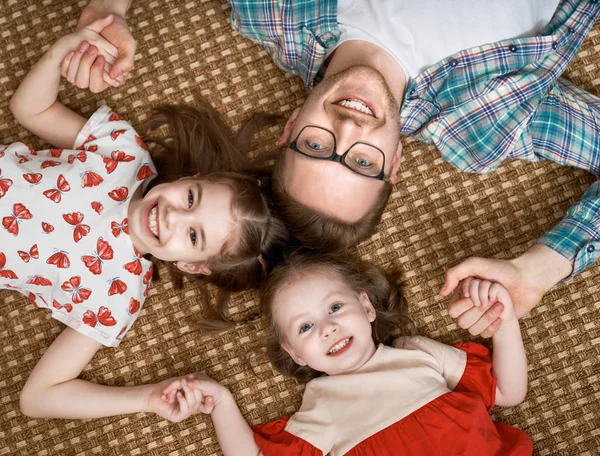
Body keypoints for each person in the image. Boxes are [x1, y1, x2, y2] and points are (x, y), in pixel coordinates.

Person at [70, 0, 600, 334]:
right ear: (394, 163)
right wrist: (538, 268)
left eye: (318, 147)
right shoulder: (483, 126)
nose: (349, 129)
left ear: (289, 128)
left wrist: (110, 6)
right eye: (363, 161)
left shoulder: (273, 11)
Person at [3, 14, 286, 420]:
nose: (172, 216)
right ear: (193, 177)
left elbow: (39, 398)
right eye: (191, 197)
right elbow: (31, 109)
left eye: (193, 237)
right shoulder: (122, 150)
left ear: (192, 265)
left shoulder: (117, 295)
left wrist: (148, 398)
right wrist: (57, 54)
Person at [159, 251, 532, 455]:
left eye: (335, 308)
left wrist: (505, 322)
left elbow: (507, 393)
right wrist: (222, 403)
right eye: (305, 328)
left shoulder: (419, 354)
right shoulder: (321, 405)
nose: (326, 328)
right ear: (297, 354)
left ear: (367, 308)